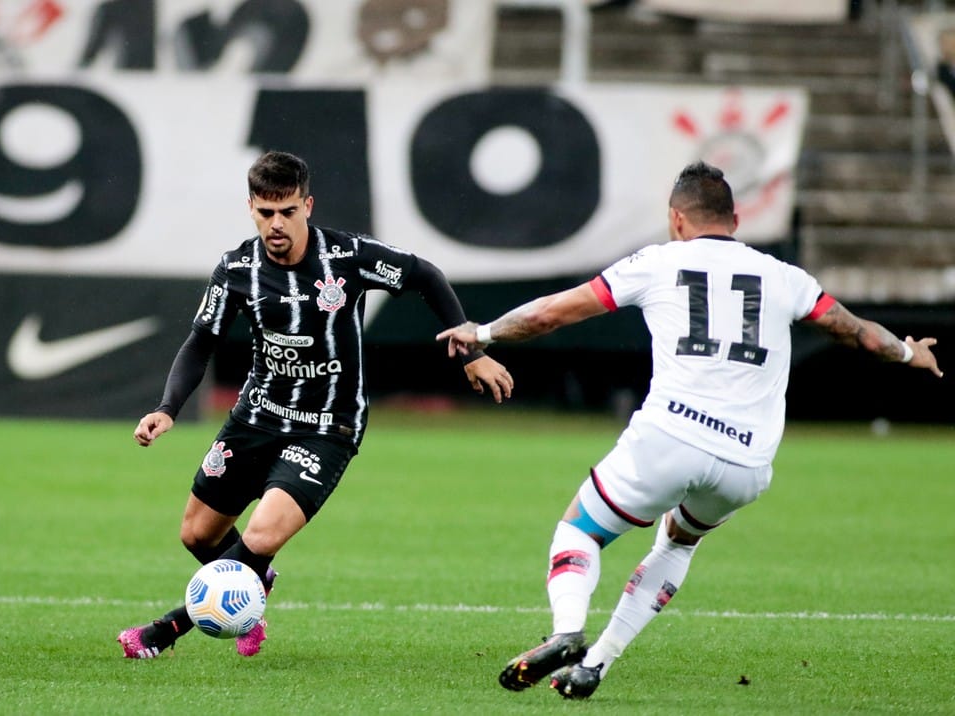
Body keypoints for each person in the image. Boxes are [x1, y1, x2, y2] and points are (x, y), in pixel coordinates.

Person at [436, 161, 943, 699]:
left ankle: (566, 633)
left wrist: (483, 331)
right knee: (678, 545)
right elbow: (859, 334)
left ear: (677, 218)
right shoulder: (785, 277)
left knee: (579, 531)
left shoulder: (657, 262)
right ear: (736, 219)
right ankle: (596, 666)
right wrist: (910, 352)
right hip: (747, 463)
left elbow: (551, 315)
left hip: (671, 438)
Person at [117, 150, 514, 659]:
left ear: (308, 205)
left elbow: (426, 275)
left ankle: (165, 631)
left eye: (287, 211)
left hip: (327, 425)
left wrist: (471, 352)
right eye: (266, 212)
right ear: (251, 208)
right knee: (196, 534)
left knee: (260, 535)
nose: (276, 224)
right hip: (256, 416)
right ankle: (255, 591)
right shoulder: (237, 268)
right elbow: (201, 340)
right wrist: (168, 407)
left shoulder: (347, 258)